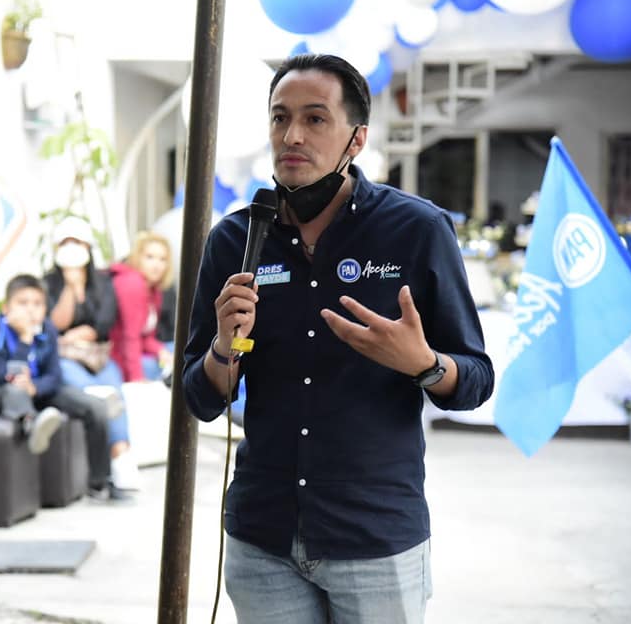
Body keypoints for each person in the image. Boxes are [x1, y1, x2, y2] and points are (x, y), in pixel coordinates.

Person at [182, 54, 495, 623]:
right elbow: (201, 398)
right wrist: (225, 347)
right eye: (280, 118)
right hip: (263, 537)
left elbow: (476, 380)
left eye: (315, 118)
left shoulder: (416, 230)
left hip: (374, 538)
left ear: (357, 138)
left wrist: (422, 363)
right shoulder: (235, 240)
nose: (292, 136)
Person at [0, 274, 130, 502]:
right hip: (2, 394)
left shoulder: (48, 329)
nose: (30, 310)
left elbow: (54, 376)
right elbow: (5, 376)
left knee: (95, 408)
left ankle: (99, 483)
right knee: (15, 392)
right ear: (6, 308)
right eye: (22, 303)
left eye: (37, 304)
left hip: (38, 391)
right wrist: (25, 339)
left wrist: (35, 388)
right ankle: (33, 423)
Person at [44, 216, 139, 490]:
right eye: (65, 242)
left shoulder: (103, 281)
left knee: (113, 392)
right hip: (65, 359)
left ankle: (121, 455)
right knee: (96, 394)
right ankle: (104, 466)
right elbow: (55, 324)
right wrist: (70, 287)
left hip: (98, 358)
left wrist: (82, 332)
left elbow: (103, 323)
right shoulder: (48, 283)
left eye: (77, 242)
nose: (71, 248)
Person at [110, 231, 175, 382]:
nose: (156, 265)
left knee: (176, 351)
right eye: (149, 257)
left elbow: (145, 337)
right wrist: (137, 378)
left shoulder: (153, 289)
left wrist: (160, 351)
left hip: (136, 350)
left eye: (162, 259)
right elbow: (130, 336)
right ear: (137, 258)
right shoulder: (132, 283)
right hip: (118, 358)